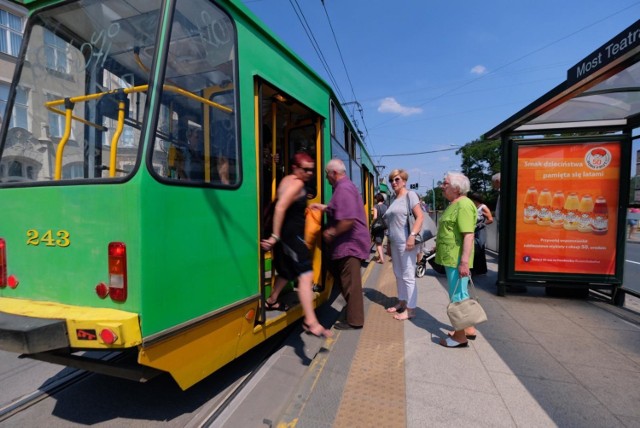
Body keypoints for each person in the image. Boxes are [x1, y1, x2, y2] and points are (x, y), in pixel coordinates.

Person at [260, 153, 332, 338]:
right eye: (305, 169)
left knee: (287, 272)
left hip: (287, 237)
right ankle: (311, 320)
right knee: (306, 276)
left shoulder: (287, 180)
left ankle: (271, 300)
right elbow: (281, 207)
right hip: (292, 238)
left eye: (311, 170)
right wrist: (275, 236)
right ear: (295, 168)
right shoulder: (297, 184)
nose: (309, 173)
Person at [310, 159, 370, 330]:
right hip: (348, 244)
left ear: (333, 173)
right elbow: (338, 209)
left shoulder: (343, 189)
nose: (327, 178)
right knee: (344, 280)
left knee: (351, 284)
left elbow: (348, 220)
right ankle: (352, 313)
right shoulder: (345, 188)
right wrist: (323, 208)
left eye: (327, 174)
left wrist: (331, 232)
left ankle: (355, 321)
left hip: (349, 244)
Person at [436, 172, 477, 348]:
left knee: (457, 296)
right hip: (450, 257)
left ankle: (460, 337)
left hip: (456, 259)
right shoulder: (455, 204)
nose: (442, 186)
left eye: (445, 183)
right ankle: (468, 328)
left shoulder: (464, 205)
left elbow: (468, 235)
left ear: (456, 188)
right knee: (460, 293)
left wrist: (464, 262)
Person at [383, 169, 424, 321]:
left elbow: (419, 217)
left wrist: (412, 236)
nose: (394, 182)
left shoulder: (410, 195)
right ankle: (402, 302)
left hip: (406, 242)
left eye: (397, 179)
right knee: (398, 274)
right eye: (392, 180)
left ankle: (411, 309)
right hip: (394, 242)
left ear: (404, 181)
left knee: (408, 275)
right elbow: (390, 223)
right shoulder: (393, 198)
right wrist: (388, 243)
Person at [469, 192, 493, 275]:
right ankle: (479, 269)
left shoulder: (483, 207)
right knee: (476, 249)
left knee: (479, 249)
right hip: (475, 230)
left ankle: (480, 270)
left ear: (475, 199)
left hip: (480, 230)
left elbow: (490, 219)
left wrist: (482, 224)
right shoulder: (476, 207)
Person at [371, 193, 388, 264]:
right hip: (384, 225)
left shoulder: (376, 206)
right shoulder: (386, 206)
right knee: (380, 240)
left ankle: (381, 258)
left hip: (378, 226)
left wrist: (372, 223)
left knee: (378, 243)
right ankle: (379, 257)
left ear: (377, 199)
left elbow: (375, 217)